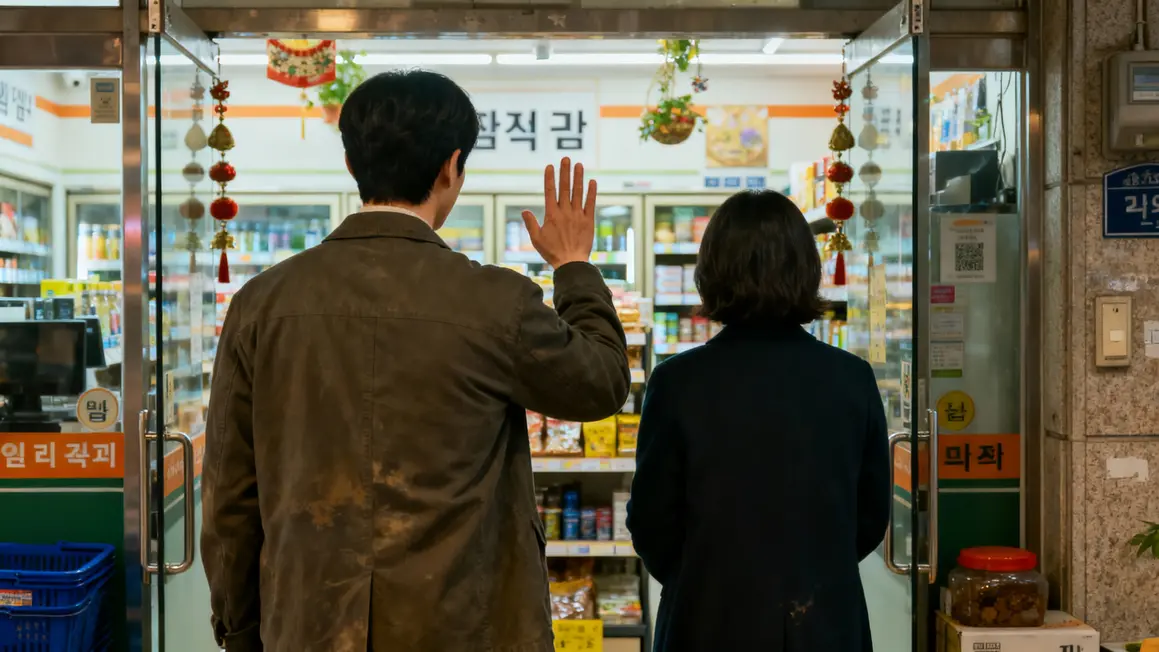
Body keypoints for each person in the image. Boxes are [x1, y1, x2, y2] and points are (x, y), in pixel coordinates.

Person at [201, 70, 631, 652]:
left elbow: (229, 496)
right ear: (452, 167)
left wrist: (240, 630)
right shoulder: (496, 301)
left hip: (308, 623)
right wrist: (573, 266)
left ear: (351, 164)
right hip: (463, 625)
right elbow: (601, 382)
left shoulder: (260, 304)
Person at [626, 190, 889, 652]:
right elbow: (870, 517)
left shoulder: (677, 382)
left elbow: (651, 522)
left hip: (709, 619)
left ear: (711, 271)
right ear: (807, 269)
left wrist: (701, 578)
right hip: (823, 620)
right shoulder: (852, 378)